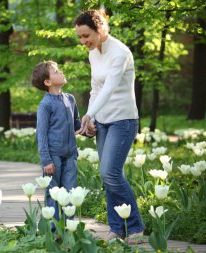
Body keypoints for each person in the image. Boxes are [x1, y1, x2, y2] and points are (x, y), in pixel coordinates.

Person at [73, 9, 145, 242]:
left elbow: (110, 88)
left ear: (100, 29)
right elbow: (95, 89)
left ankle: (134, 226)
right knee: (108, 176)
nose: (84, 41)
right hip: (103, 122)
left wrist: (89, 114)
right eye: (80, 37)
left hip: (123, 121)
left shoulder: (120, 52)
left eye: (86, 36)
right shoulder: (94, 53)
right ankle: (117, 228)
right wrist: (91, 117)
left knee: (110, 173)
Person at [31, 60, 81, 222]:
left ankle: (70, 229)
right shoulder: (45, 105)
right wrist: (46, 160)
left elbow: (77, 125)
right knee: (53, 194)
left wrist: (89, 128)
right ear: (48, 82)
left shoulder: (70, 99)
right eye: (56, 71)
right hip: (53, 159)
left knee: (70, 193)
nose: (61, 72)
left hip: (70, 155)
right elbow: (42, 135)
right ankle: (54, 231)